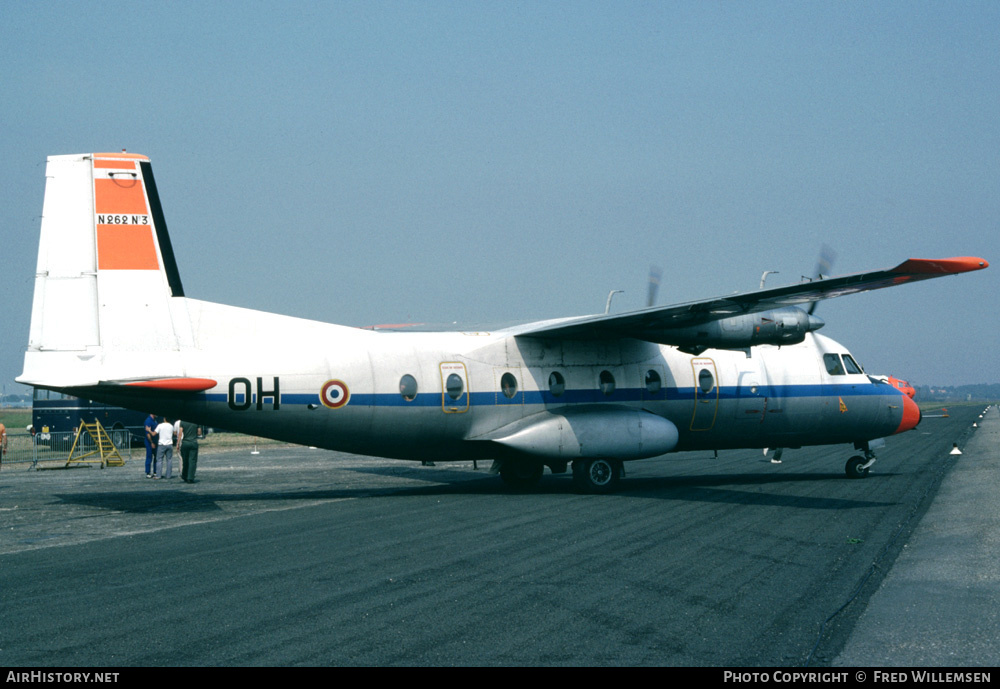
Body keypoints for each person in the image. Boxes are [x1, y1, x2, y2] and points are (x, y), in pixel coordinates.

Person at [144, 413, 158, 478]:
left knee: (156, 457)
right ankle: (148, 472)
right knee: (149, 456)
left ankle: (155, 471)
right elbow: (148, 434)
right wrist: (151, 442)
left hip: (156, 441)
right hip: (150, 442)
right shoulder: (148, 421)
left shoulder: (155, 421)